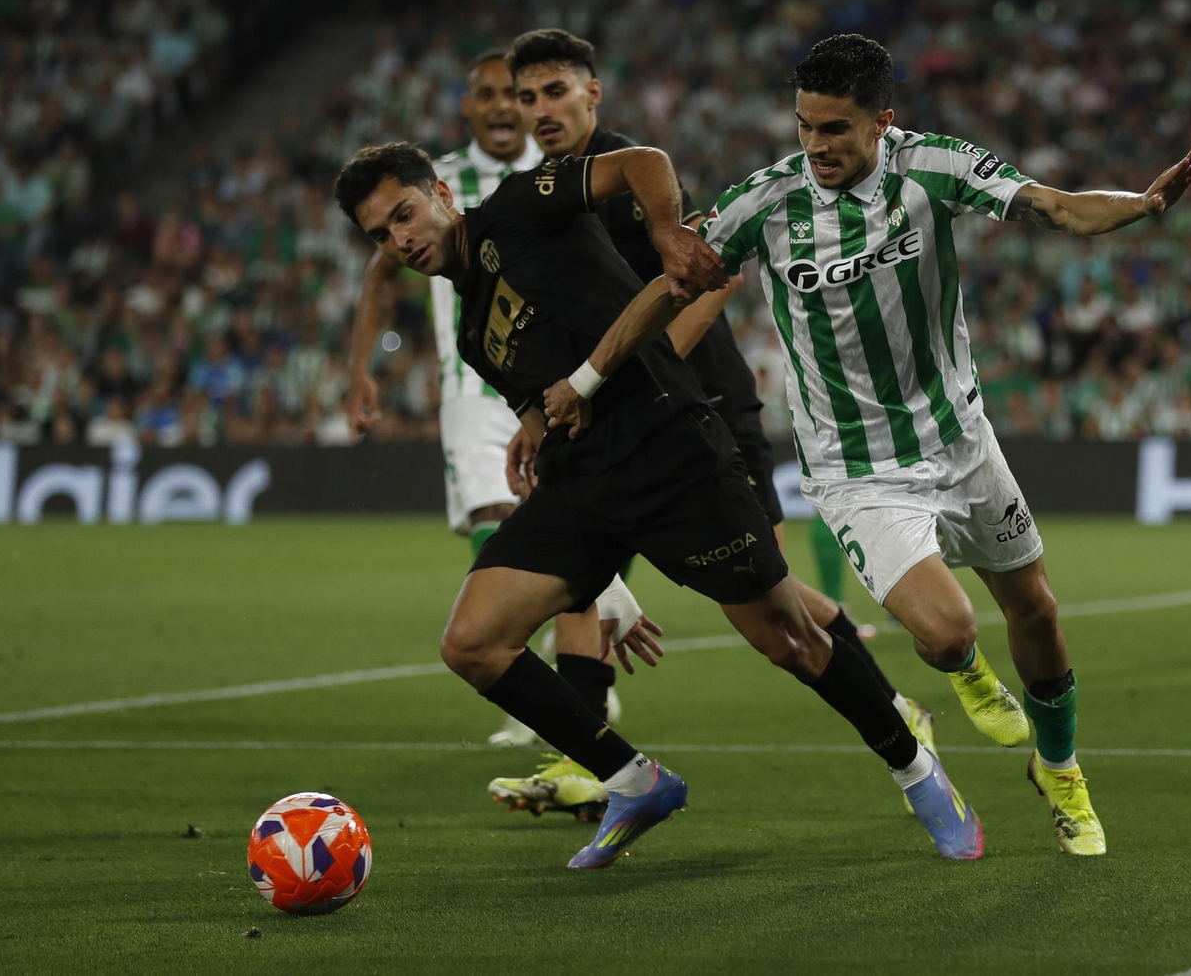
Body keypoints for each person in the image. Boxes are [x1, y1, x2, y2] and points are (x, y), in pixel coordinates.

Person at [544, 33, 1191, 856]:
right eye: (805, 126)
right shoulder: (766, 201)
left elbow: (1058, 206)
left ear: (883, 122)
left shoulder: (935, 166)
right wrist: (583, 383)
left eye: (836, 130)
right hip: (857, 467)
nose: (816, 146)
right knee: (948, 632)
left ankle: (1061, 770)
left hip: (962, 440)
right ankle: (966, 672)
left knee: (1035, 607)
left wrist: (1141, 206)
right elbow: (671, 285)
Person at [332, 140, 983, 868]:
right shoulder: (469, 329)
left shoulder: (517, 207)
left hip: (672, 455)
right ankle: (634, 782)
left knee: (788, 638)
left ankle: (918, 771)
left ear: (443, 193)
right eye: (382, 234)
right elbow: (545, 412)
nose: (402, 238)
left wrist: (669, 231)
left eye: (406, 213)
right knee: (472, 643)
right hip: (582, 488)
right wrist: (539, 447)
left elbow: (644, 161)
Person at [484, 29, 934, 819]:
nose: (540, 110)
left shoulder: (621, 176)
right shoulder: (546, 193)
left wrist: (628, 378)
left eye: (557, 91)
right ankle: (586, 758)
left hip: (704, 409)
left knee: (771, 605)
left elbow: (705, 278)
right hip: (623, 418)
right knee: (578, 578)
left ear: (595, 93)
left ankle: (895, 711)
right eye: (526, 97)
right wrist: (543, 410)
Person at [343, 50, 626, 765]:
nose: (504, 106)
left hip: (560, 378)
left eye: (515, 93)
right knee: (502, 522)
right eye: (488, 95)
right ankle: (543, 683)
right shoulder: (425, 183)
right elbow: (381, 276)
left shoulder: (559, 165)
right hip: (477, 387)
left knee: (563, 529)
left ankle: (573, 696)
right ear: (468, 106)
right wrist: (361, 373)